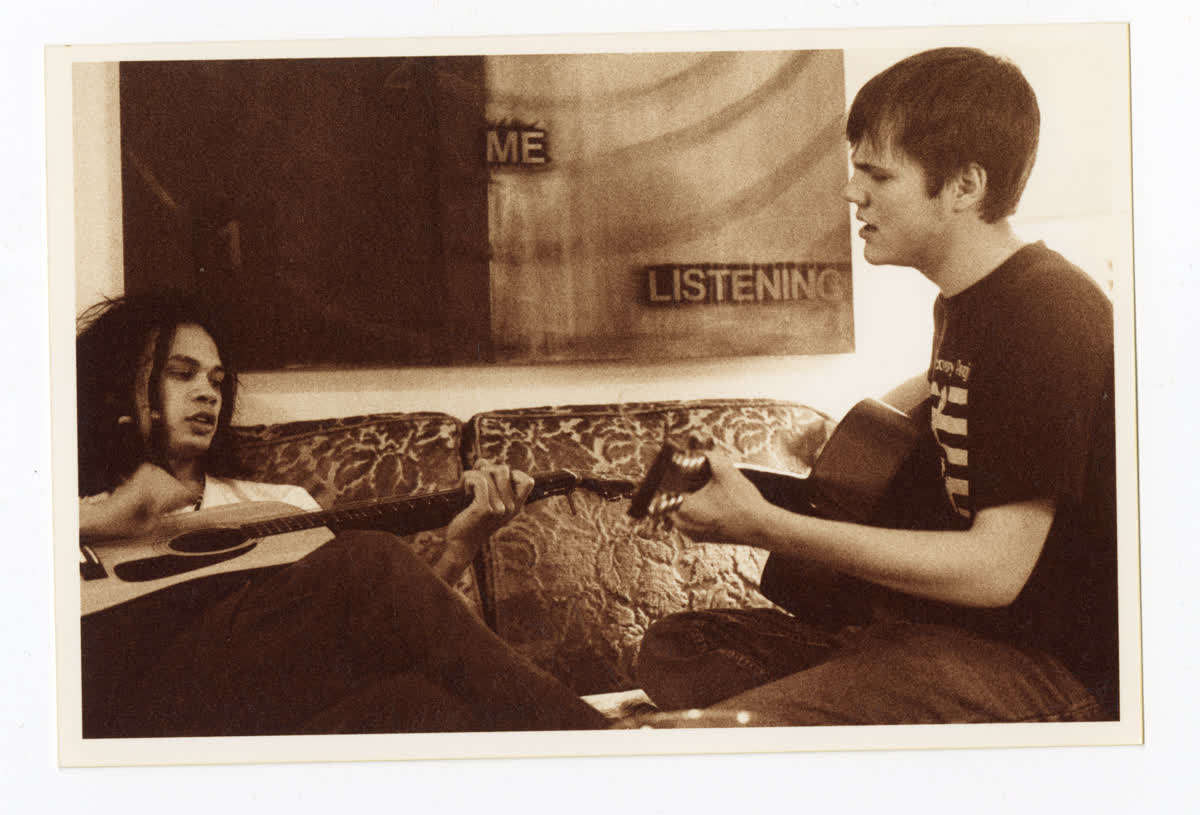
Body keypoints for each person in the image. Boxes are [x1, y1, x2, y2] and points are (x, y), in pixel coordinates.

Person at [634, 47, 1118, 725]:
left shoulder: (1048, 310)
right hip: (936, 636)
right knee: (677, 647)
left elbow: (995, 569)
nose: (851, 192)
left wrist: (768, 525)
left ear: (964, 187)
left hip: (1039, 665)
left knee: (694, 737)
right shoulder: (965, 304)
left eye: (878, 174)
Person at [77, 291, 607, 737]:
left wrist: (459, 547)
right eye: (181, 374)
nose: (206, 394)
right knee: (366, 558)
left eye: (216, 381)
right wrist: (115, 514)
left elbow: (389, 627)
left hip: (268, 723)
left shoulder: (275, 505)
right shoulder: (58, 498)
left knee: (420, 703)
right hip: (140, 711)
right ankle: (603, 744)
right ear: (120, 385)